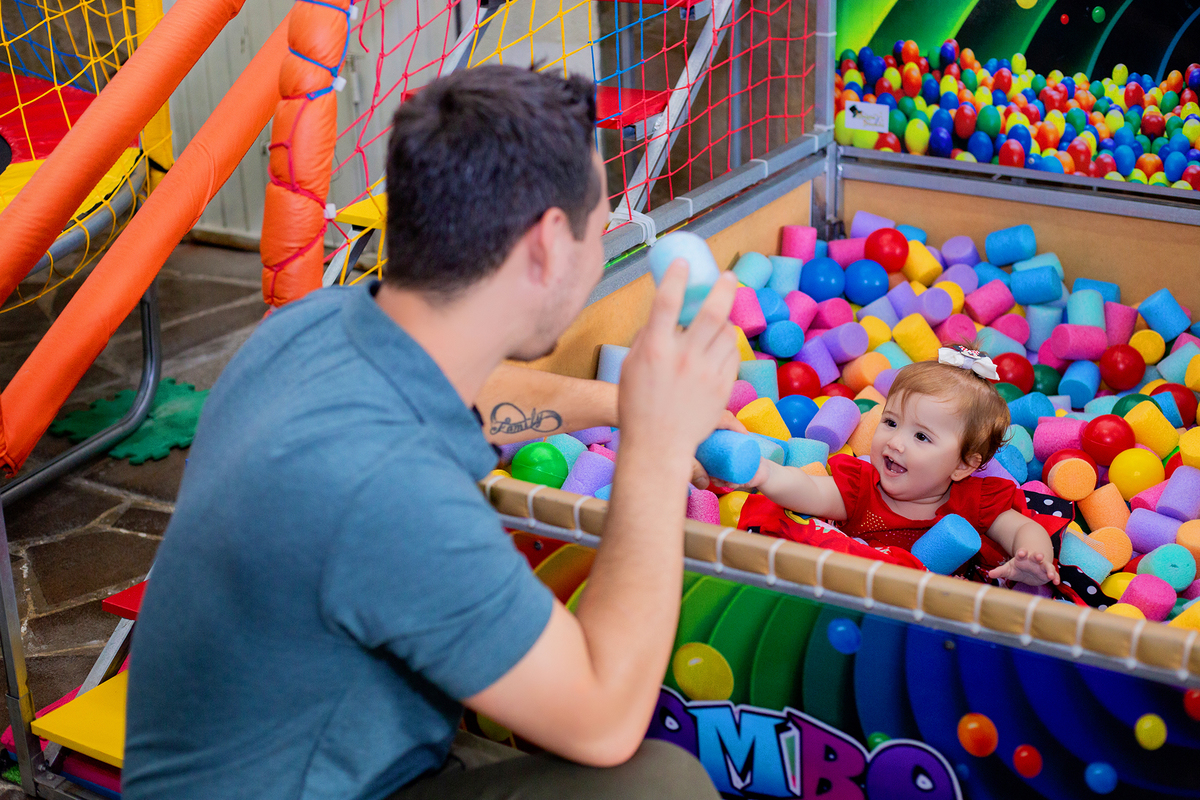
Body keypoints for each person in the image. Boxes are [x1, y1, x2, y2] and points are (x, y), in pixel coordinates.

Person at [123, 65, 742, 799]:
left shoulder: (311, 328)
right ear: (546, 245)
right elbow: (604, 719)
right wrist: (658, 449)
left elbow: (473, 396)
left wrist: (619, 402)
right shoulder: (385, 485)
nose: (605, 243)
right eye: (599, 222)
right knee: (659, 787)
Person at [717, 346, 1060, 587]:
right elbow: (806, 491)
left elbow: (1022, 531)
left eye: (922, 437)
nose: (896, 443)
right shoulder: (862, 485)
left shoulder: (977, 501)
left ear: (963, 466)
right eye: (891, 423)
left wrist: (1033, 559)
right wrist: (762, 472)